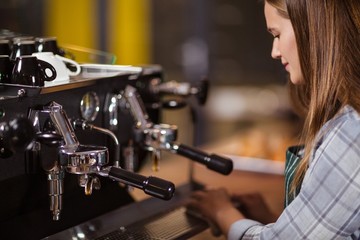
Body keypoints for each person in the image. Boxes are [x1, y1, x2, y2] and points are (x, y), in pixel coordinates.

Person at [187, 0, 360, 239]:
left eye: (277, 35)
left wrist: (222, 212)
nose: (275, 51)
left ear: (312, 28)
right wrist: (272, 221)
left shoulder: (350, 132)